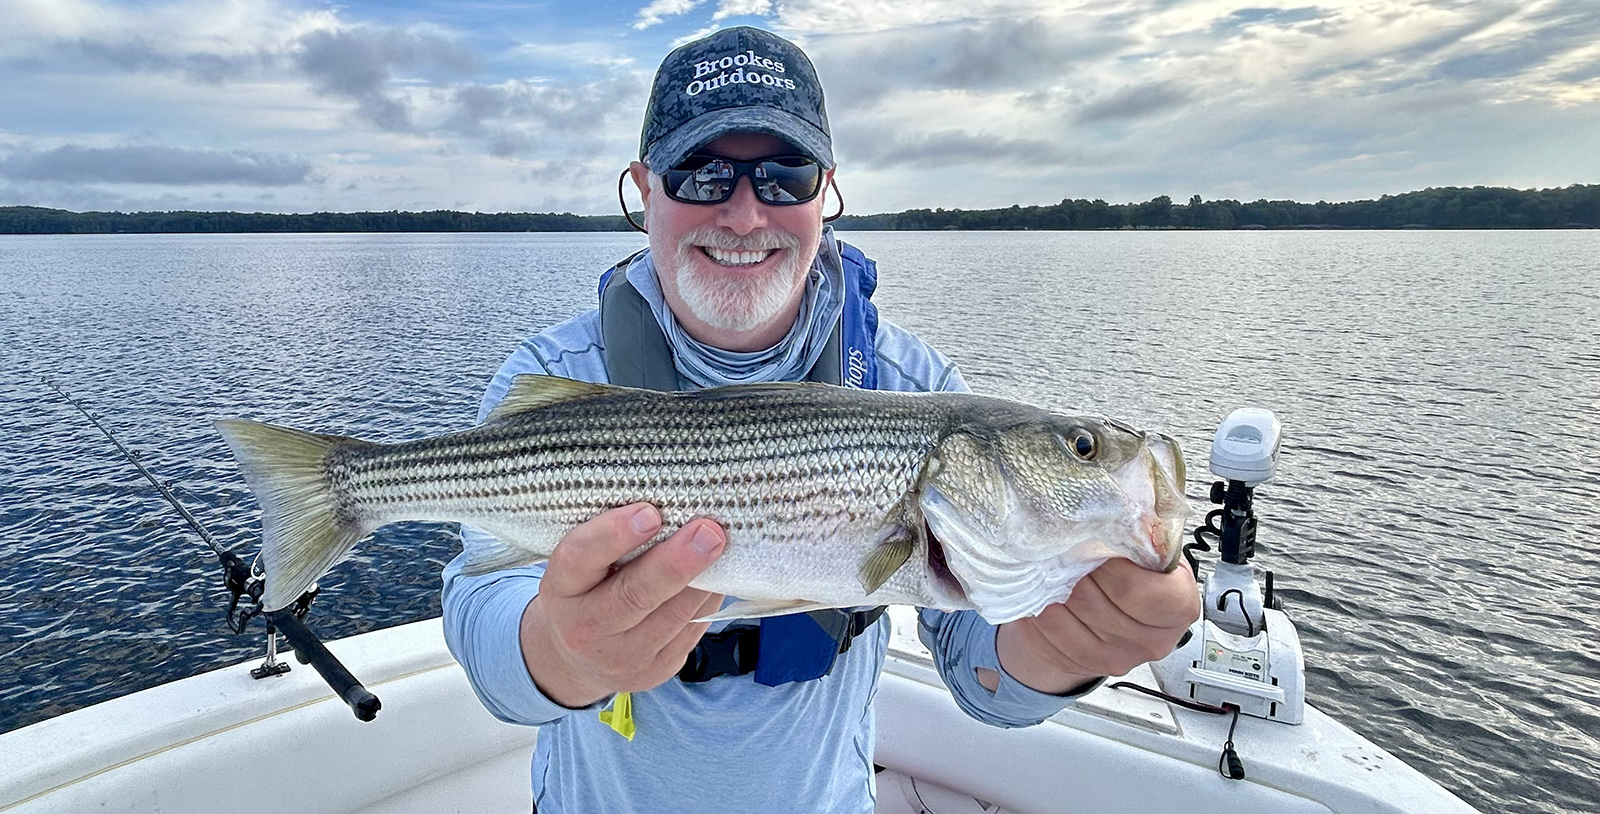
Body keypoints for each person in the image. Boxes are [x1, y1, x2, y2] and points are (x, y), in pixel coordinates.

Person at [441, 25, 1199, 813]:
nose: (742, 214)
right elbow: (481, 598)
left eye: (783, 176)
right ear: (644, 189)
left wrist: (1052, 654)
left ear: (826, 191)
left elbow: (986, 680)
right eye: (700, 175)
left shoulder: (913, 388)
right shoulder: (557, 372)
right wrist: (556, 653)